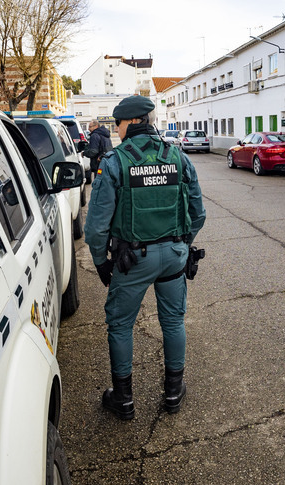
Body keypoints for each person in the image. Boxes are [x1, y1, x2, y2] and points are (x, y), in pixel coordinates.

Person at [84, 96, 206, 420]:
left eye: (117, 124)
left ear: (128, 123)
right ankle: (173, 393)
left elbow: (96, 228)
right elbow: (198, 213)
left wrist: (100, 262)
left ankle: (123, 400)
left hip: (132, 260)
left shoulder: (114, 162)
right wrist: (182, 244)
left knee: (121, 324)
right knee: (172, 321)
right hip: (175, 257)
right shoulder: (178, 157)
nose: (116, 130)